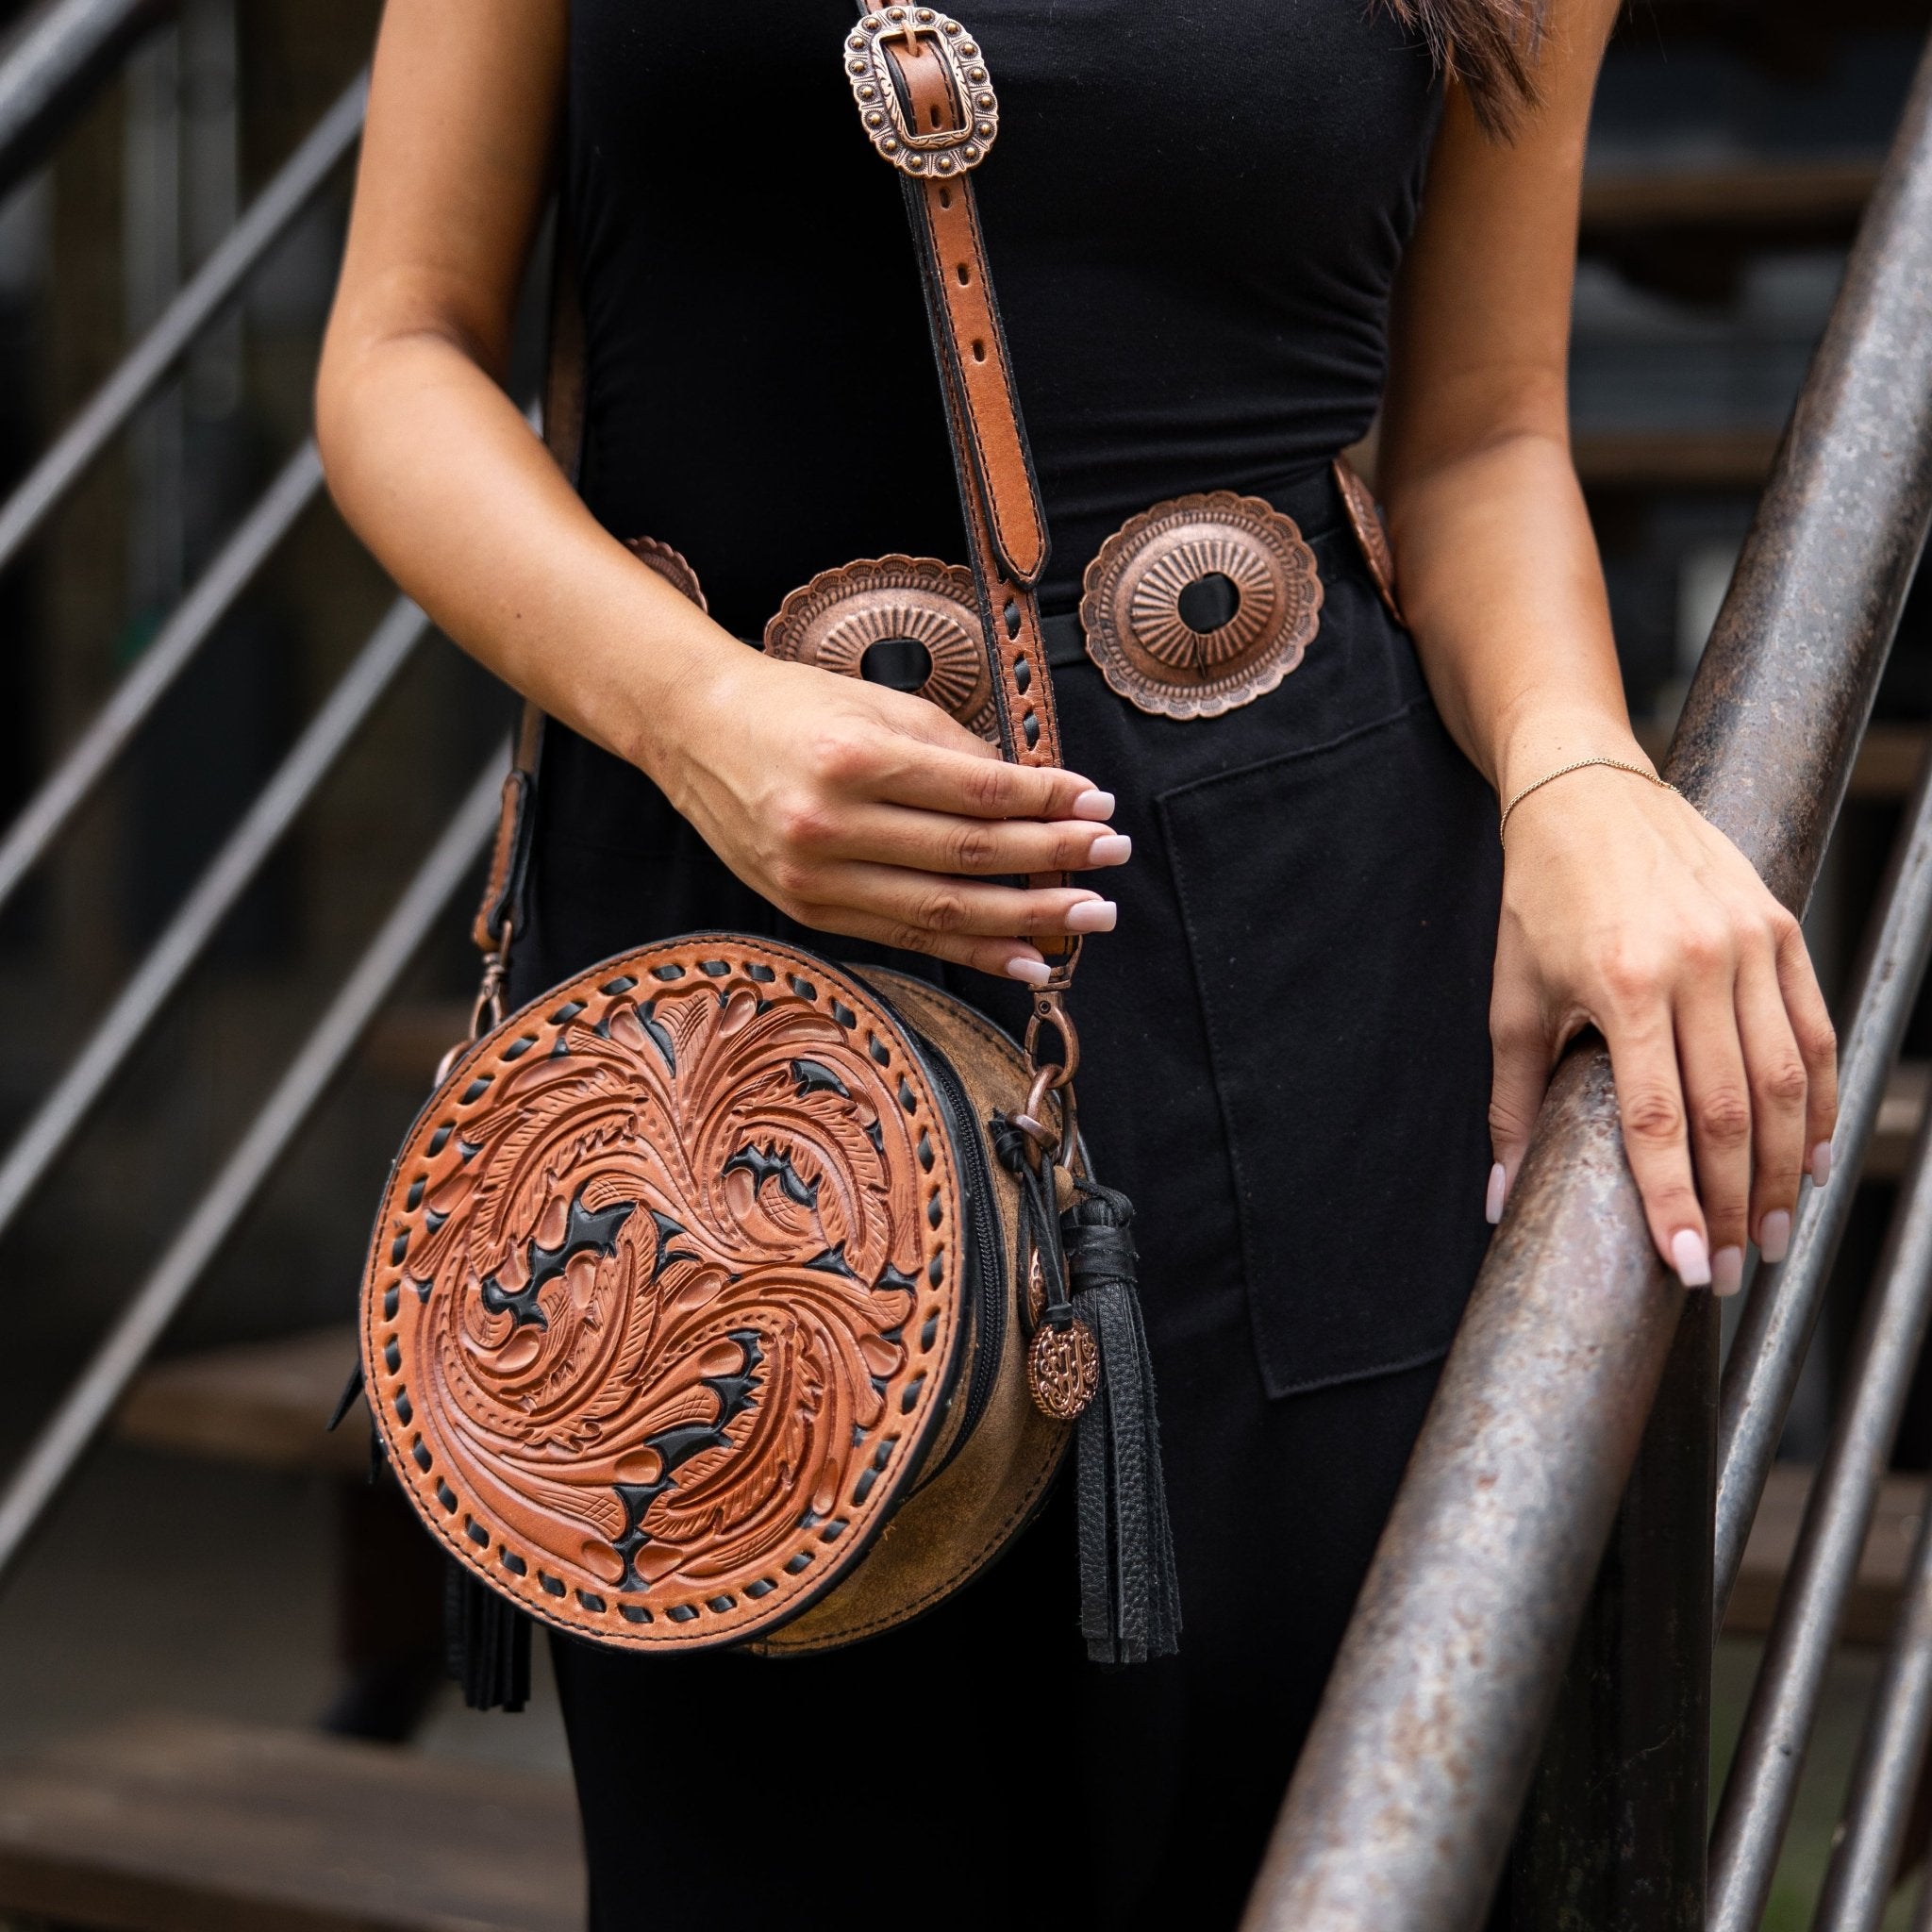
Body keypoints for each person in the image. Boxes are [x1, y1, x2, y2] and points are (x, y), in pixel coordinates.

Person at [315, 0, 1838, 1924]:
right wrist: (689, 707)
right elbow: (397, 351)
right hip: (727, 1027)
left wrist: (1579, 771)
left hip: (1308, 1000)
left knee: (1303, 1835)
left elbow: (1479, 436)